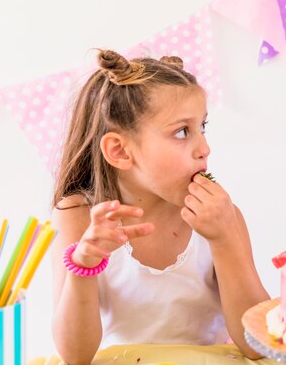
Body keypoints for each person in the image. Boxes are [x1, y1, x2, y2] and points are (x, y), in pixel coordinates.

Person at [51, 50, 269, 364]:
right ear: (120, 151)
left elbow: (256, 345)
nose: (204, 148)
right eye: (182, 132)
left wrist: (225, 240)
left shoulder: (221, 216)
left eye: (202, 128)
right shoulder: (78, 216)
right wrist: (84, 263)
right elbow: (75, 355)